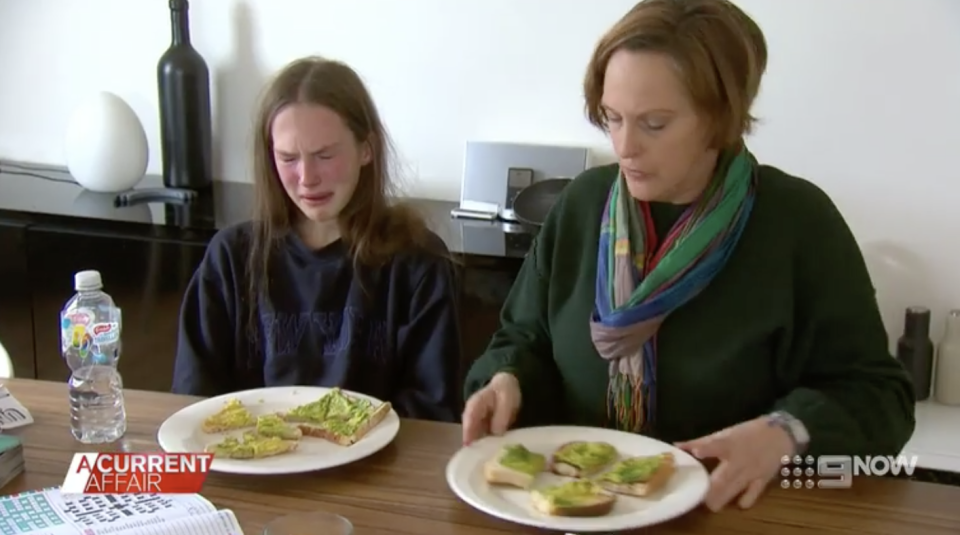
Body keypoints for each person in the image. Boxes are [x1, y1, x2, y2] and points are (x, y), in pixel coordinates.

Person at [461, 0, 915, 512]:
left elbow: (880, 399)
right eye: (611, 118)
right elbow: (522, 339)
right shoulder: (583, 205)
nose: (625, 146)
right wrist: (507, 379)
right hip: (577, 508)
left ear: (719, 117)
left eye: (654, 123)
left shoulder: (799, 223)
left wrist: (786, 432)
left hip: (732, 513)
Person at [172, 56, 461, 423]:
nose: (307, 178)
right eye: (288, 158)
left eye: (325, 155)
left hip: (374, 471)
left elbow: (433, 412)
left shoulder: (420, 263)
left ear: (366, 149)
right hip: (256, 471)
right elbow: (192, 403)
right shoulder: (230, 258)